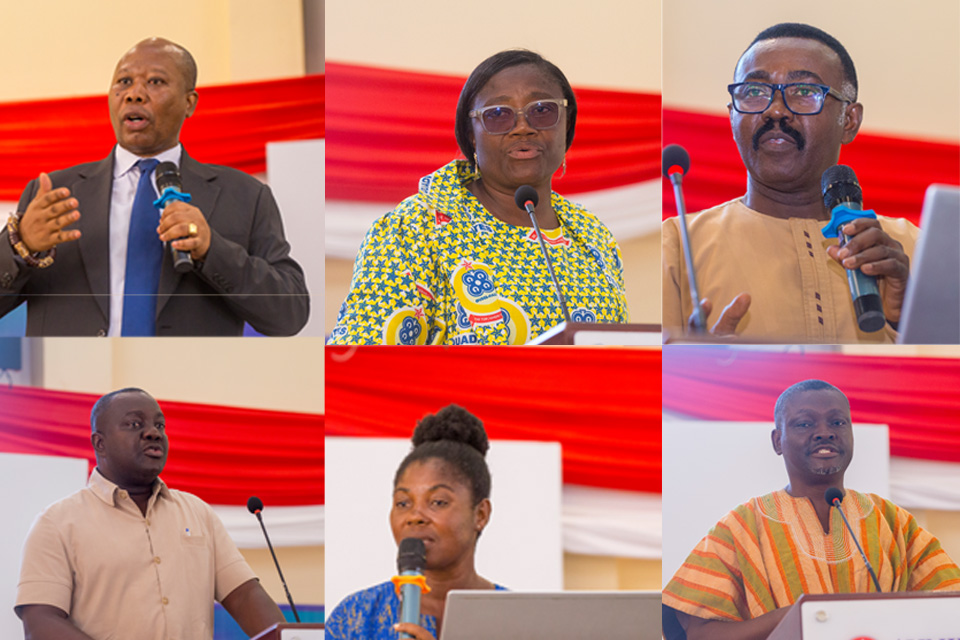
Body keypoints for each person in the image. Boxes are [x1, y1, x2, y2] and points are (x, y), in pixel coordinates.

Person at [0, 37, 308, 336]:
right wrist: (21, 245)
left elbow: (289, 315)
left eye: (156, 82)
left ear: (189, 103)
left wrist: (212, 249)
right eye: (123, 82)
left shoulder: (245, 196)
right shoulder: (53, 194)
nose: (134, 94)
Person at [328, 49, 628, 345]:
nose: (523, 127)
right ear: (471, 134)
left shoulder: (593, 235)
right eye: (498, 115)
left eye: (541, 110)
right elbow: (362, 358)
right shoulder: (415, 227)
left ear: (566, 124)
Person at [662, 23, 917, 343]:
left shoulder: (913, 249)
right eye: (754, 92)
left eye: (804, 92)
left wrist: (906, 317)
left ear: (849, 121)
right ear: (731, 117)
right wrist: (695, 373)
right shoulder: (676, 246)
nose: (775, 110)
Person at [662, 380, 960, 640]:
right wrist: (796, 617)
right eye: (805, 424)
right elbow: (700, 634)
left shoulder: (893, 521)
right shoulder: (741, 526)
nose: (825, 433)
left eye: (838, 423)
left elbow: (949, 607)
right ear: (778, 441)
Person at [15, 387, 286, 639]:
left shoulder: (197, 512)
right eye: (135, 424)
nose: (153, 433)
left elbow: (244, 595)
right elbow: (40, 621)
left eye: (159, 425)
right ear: (100, 443)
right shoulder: (57, 523)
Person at [325, 405, 504, 639]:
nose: (415, 516)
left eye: (438, 502)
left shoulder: (517, 617)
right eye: (403, 503)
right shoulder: (354, 618)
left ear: (480, 515)